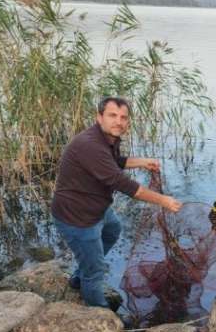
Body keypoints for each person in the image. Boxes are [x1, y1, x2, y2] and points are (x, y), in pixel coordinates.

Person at [51, 97, 183, 309]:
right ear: (99, 117)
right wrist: (163, 200)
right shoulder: (90, 145)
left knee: (113, 230)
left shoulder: (107, 139)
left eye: (123, 118)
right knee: (96, 273)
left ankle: (79, 276)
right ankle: (99, 314)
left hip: (95, 208)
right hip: (78, 218)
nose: (118, 122)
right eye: (112, 115)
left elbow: (114, 162)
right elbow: (124, 185)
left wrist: (142, 161)